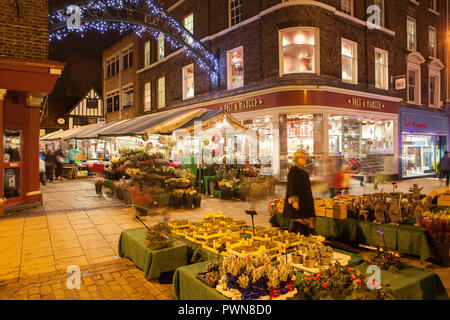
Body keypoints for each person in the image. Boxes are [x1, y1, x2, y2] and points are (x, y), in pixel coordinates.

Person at [283, 151, 316, 235]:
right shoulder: (294, 170)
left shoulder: (303, 170)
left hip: (305, 200)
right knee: (300, 223)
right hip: (298, 201)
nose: (305, 159)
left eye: (305, 157)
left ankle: (293, 239)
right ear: (297, 159)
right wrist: (294, 201)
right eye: (303, 158)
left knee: (299, 223)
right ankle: (297, 240)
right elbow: (291, 186)